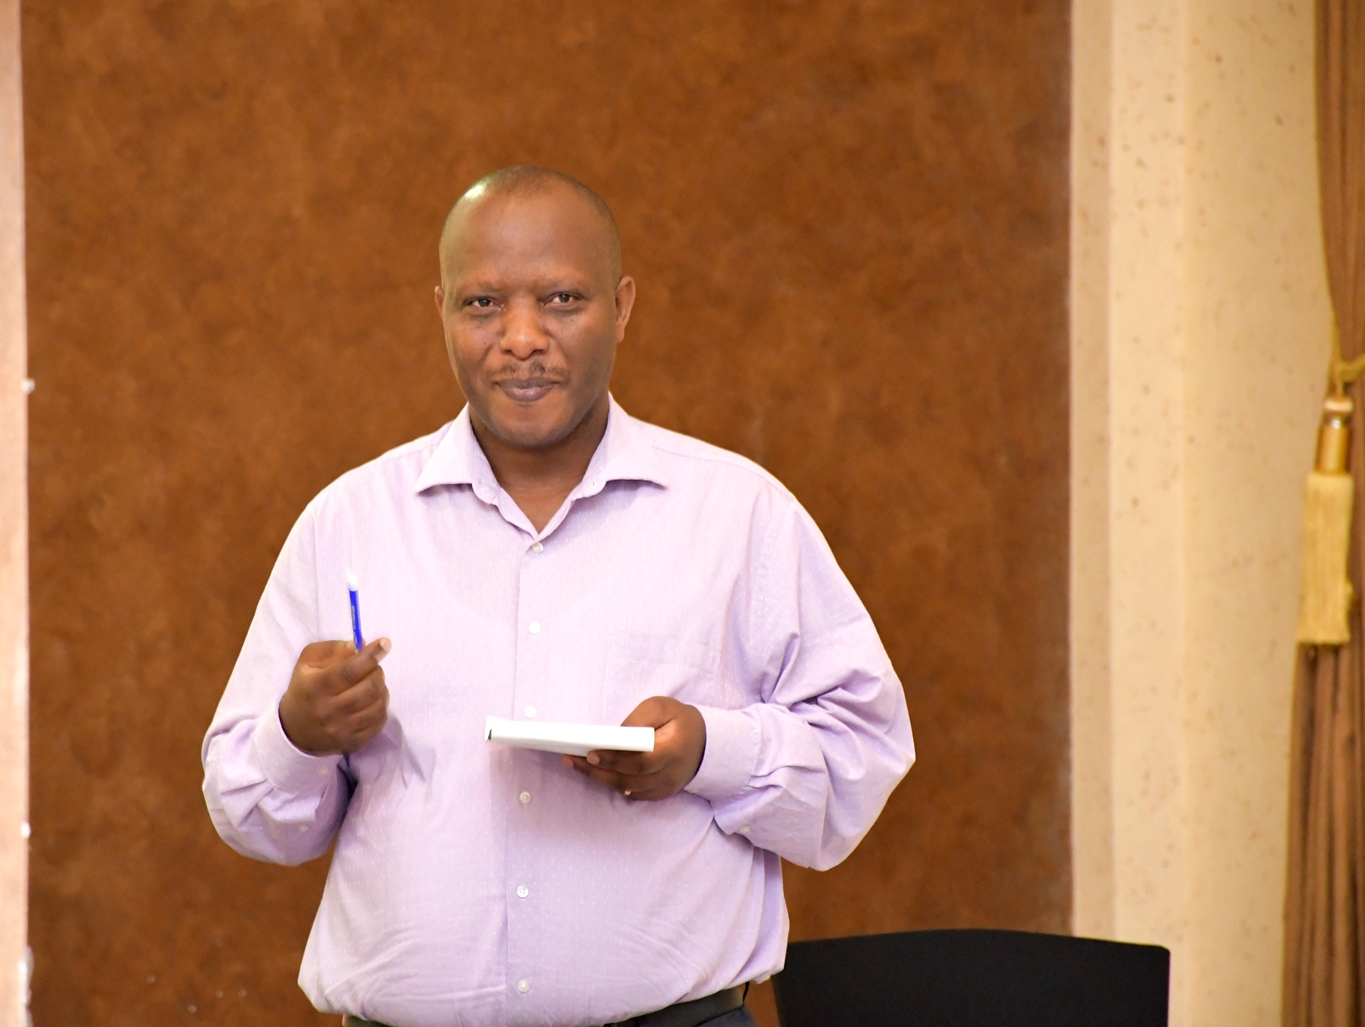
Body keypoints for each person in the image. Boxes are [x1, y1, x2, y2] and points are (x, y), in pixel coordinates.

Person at [202, 166, 914, 1027]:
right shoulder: (348, 523)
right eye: (482, 304)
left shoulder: (740, 515)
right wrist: (297, 733)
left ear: (622, 306)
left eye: (563, 299)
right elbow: (252, 815)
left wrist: (706, 752)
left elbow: (861, 758)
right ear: (440, 309)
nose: (522, 338)